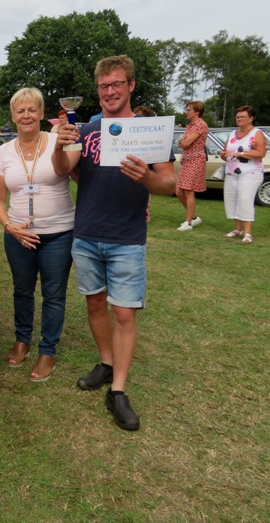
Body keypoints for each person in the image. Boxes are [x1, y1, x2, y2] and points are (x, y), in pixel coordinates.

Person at [53, 54, 176, 431]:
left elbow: (169, 184)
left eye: (117, 84)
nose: (109, 92)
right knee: (94, 305)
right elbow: (65, 171)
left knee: (123, 313)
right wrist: (59, 146)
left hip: (126, 237)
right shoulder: (87, 129)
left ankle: (118, 391)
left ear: (131, 86)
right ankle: (106, 363)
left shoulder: (150, 130)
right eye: (104, 86)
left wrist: (147, 180)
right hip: (87, 233)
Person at [0, 87, 75, 383]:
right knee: (22, 289)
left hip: (58, 233)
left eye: (32, 110)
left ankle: (47, 350)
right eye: (20, 110)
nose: (26, 115)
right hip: (18, 234)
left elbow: (73, 172)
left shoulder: (57, 141)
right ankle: (22, 339)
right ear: (13, 116)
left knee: (54, 294)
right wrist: (8, 226)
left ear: (41, 113)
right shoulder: (2, 152)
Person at [218, 106, 266, 244]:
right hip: (232, 172)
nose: (239, 119)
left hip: (250, 172)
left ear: (251, 118)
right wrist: (224, 155)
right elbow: (227, 152)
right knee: (232, 199)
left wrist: (240, 154)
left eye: (242, 116)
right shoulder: (233, 133)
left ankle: (248, 232)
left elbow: (261, 153)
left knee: (245, 199)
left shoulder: (257, 133)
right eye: (237, 117)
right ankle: (237, 229)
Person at [175, 101, 209, 231]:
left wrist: (183, 142)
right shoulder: (190, 126)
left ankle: (188, 223)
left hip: (195, 160)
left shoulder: (200, 124)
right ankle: (194, 217)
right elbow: (181, 143)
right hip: (187, 160)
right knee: (179, 191)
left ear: (197, 112)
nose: (186, 112)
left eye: (189, 110)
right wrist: (183, 143)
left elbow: (187, 143)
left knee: (189, 191)